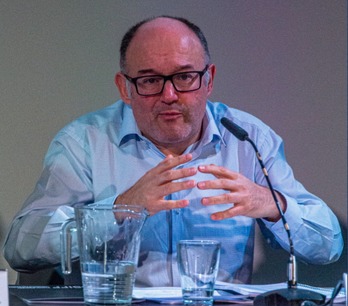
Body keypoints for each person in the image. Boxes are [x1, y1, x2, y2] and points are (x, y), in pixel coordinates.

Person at [3, 15, 343, 286]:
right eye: (150, 81)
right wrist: (120, 209)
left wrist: (272, 204)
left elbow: (329, 244)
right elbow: (21, 247)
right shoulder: (85, 143)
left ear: (208, 80)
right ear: (124, 87)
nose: (169, 95)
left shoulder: (248, 138)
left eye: (184, 77)